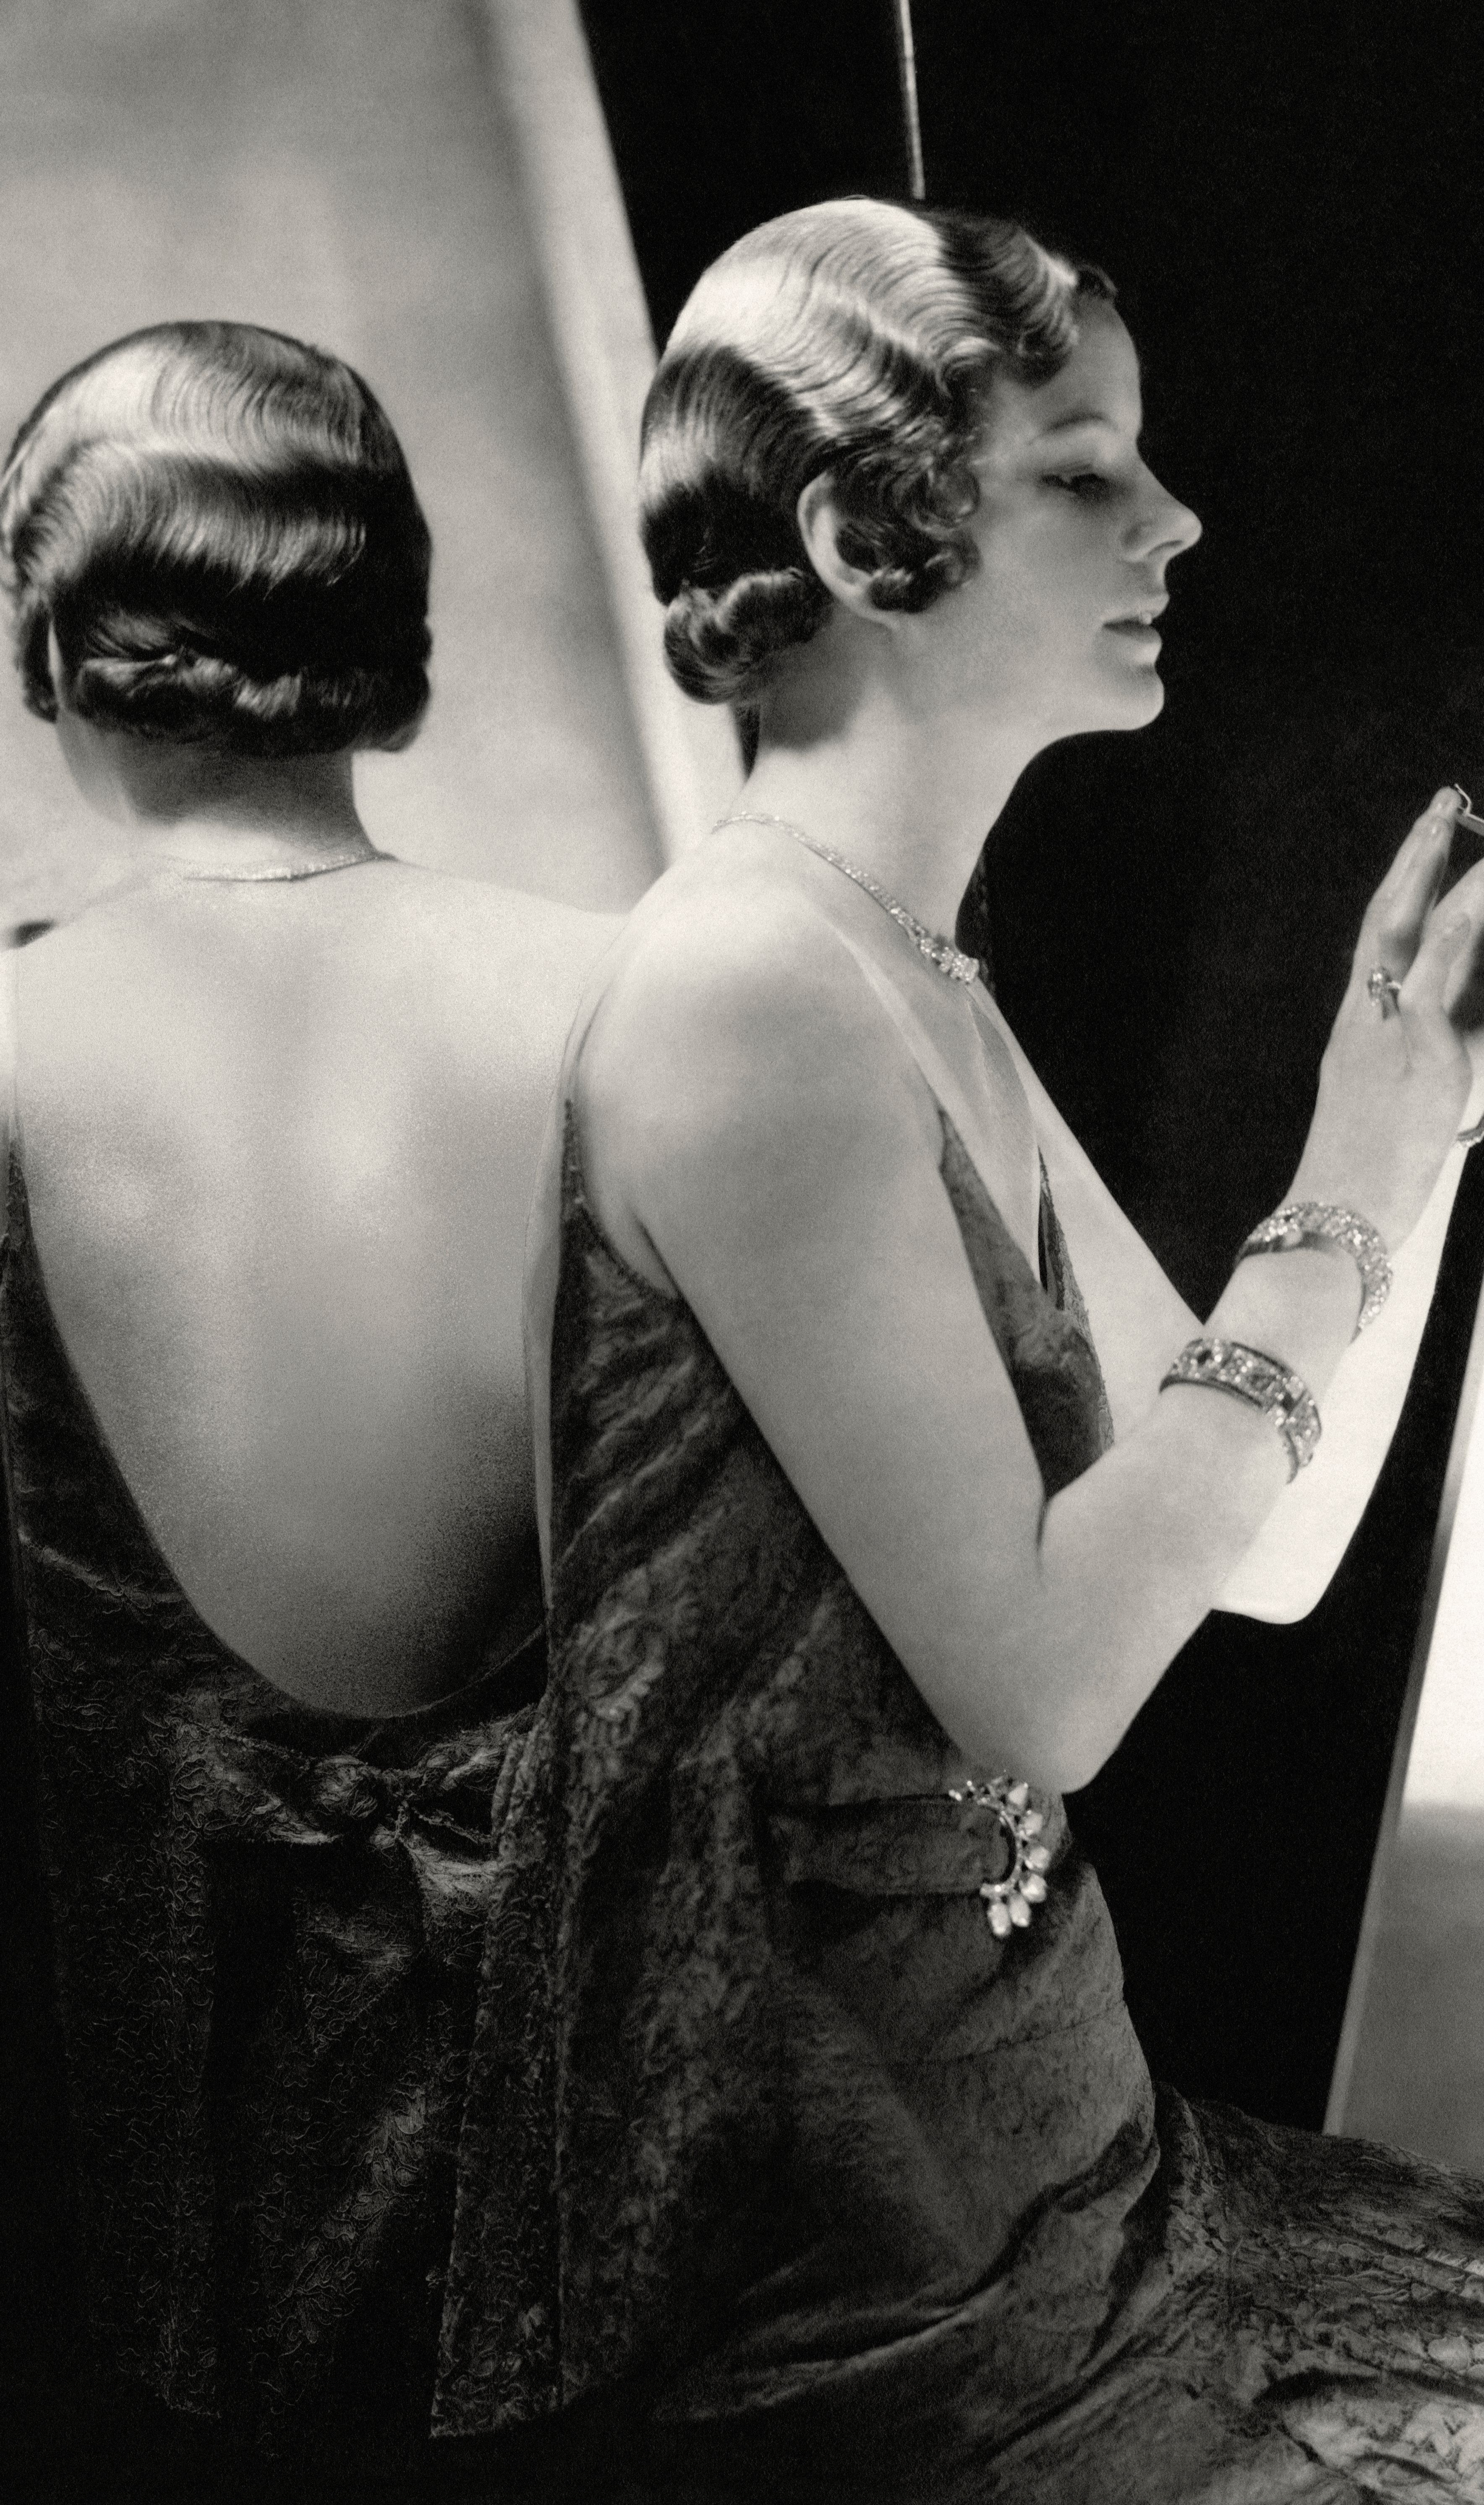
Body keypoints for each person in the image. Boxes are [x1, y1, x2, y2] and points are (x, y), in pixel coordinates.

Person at [433, 202, 1484, 2500]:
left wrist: (1419, 1087)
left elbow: (1258, 1553)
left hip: (1039, 2159)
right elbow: (1044, 1686)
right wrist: (1374, 1151)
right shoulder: (753, 1003)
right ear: (859, 538)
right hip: (873, 2283)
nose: (1174, 516)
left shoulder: (897, 971)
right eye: (1083, 465)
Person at [0, 322, 620, 2495]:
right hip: (574, 2124)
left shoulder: (15, 1041)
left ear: (47, 650)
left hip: (106, 2149)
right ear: (392, 647)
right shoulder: (622, 1004)